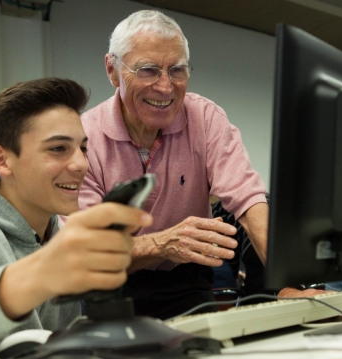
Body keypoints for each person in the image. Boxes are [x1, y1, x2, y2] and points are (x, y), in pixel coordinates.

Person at [0, 78, 152, 359]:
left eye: (83, 148)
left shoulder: (53, 230)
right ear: (1, 160)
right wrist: (38, 275)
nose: (81, 165)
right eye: (58, 149)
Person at [72, 9, 276, 321]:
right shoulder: (84, 139)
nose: (166, 87)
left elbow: (249, 199)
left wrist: (286, 282)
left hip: (189, 285)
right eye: (148, 70)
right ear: (112, 70)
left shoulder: (205, 119)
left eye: (177, 71)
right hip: (111, 290)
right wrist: (161, 244)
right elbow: (85, 250)